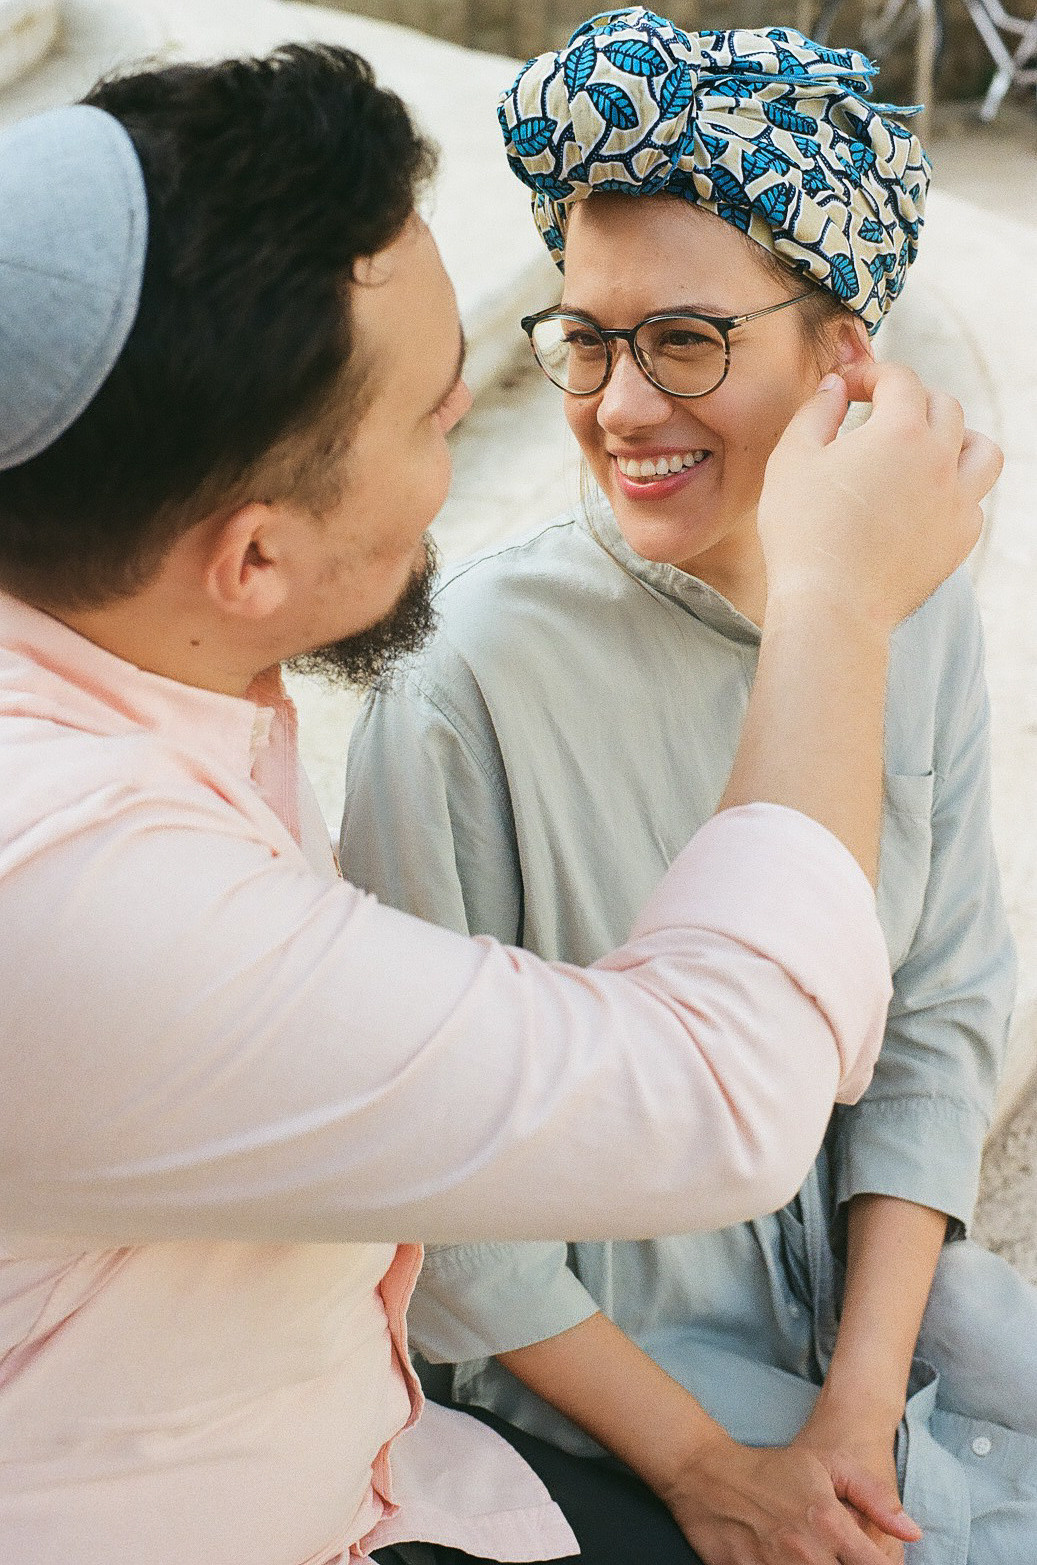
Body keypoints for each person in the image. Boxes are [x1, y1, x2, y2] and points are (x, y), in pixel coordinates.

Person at [0, 39, 997, 1565]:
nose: (570, 418)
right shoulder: (89, 892)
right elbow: (705, 1095)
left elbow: (938, 1004)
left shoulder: (170, 688)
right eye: (435, 427)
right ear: (253, 559)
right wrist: (835, 610)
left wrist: (857, 1392)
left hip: (406, 1454)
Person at [342, 12, 1037, 1565]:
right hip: (594, 1382)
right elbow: (436, 1207)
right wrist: (716, 1468)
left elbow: (938, 1003)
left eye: (683, 338)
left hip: (869, 1319)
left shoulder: (897, 583)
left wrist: (855, 1409)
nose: (617, 407)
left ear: (841, 345)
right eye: (584, 337)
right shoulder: (459, 685)